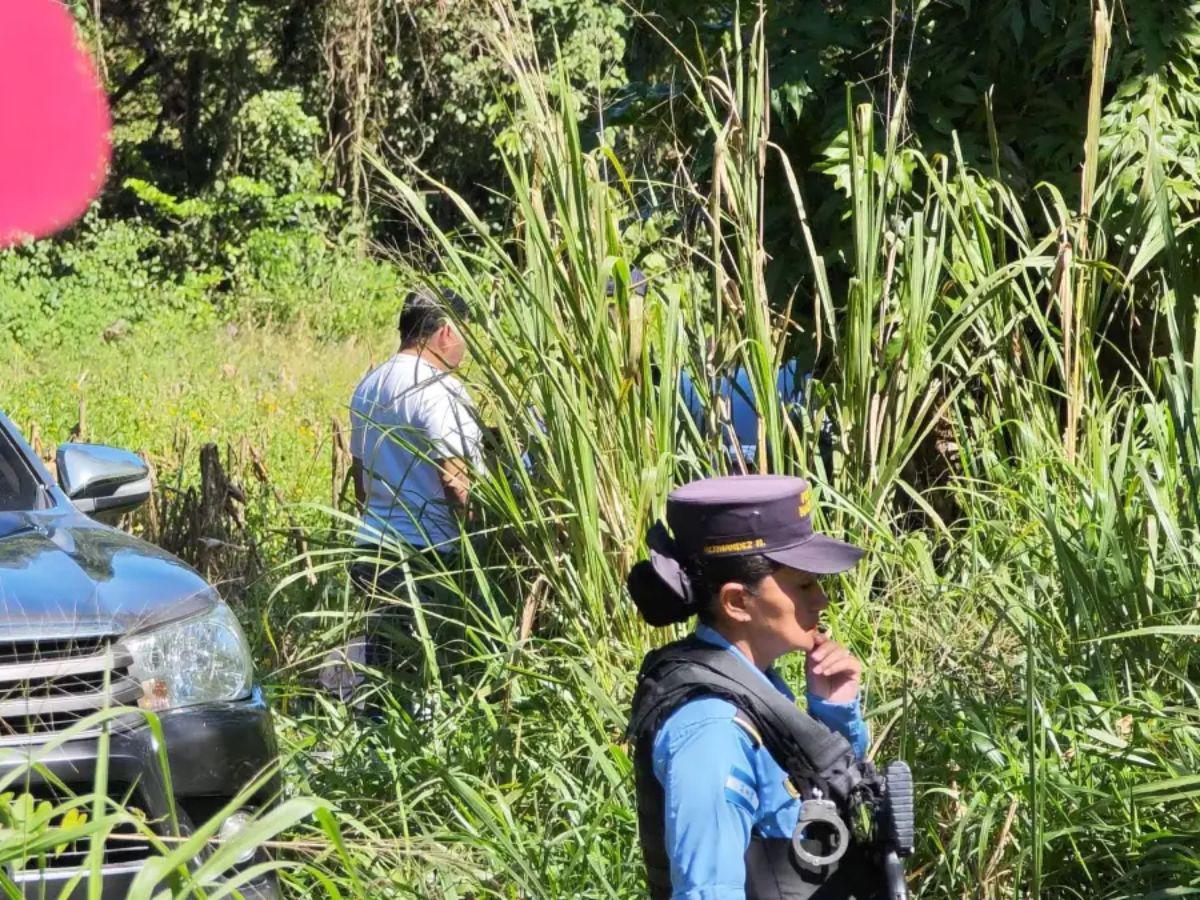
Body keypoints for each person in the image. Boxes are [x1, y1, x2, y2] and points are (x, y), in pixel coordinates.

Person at [626, 474, 879, 899]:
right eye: (803, 584)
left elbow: (814, 816)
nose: (821, 600)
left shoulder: (756, 685)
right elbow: (708, 891)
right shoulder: (711, 729)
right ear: (737, 602)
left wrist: (834, 711)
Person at [318, 287, 481, 702]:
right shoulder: (438, 389)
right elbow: (454, 479)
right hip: (425, 553)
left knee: (384, 667)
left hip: (371, 547)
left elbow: (361, 482)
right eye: (463, 332)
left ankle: (376, 745)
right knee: (427, 673)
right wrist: (479, 539)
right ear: (445, 331)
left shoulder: (369, 385)